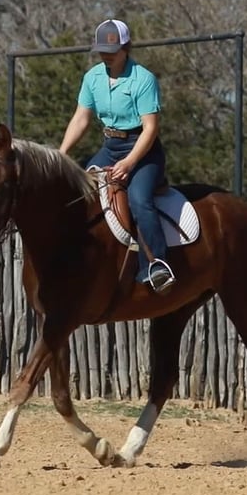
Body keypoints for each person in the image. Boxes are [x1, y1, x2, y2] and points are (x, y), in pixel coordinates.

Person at [60, 19, 175, 293]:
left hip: (142, 151)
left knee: (139, 200)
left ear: (126, 47)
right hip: (109, 147)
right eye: (101, 50)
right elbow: (81, 118)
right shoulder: (92, 78)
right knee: (83, 194)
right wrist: (62, 154)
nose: (105, 55)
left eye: (111, 49)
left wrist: (130, 163)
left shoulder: (143, 79)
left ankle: (158, 264)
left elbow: (151, 129)